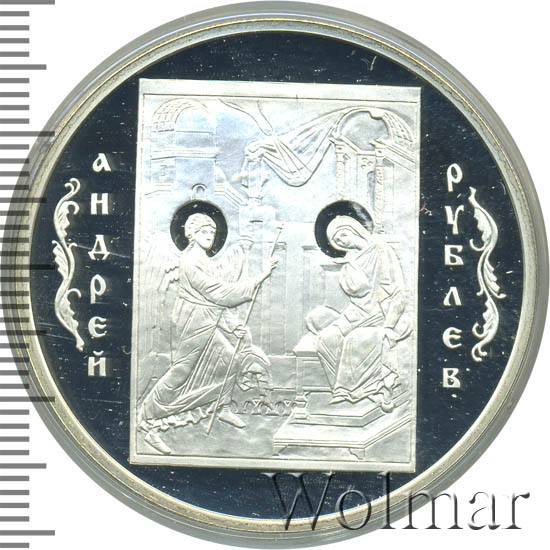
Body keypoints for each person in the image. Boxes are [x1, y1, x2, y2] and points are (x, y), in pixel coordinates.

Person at [138, 213, 276, 454]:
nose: (210, 236)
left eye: (212, 232)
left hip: (208, 318)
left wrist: (231, 324)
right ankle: (148, 422)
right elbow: (216, 293)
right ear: (192, 234)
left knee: (231, 358)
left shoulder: (204, 259)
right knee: (180, 372)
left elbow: (213, 302)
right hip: (191, 321)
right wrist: (260, 277)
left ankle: (222, 407)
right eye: (204, 232)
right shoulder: (189, 260)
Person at [306, 216, 410, 410]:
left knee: (354, 339)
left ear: (355, 229)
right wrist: (350, 265)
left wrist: (389, 325)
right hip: (357, 313)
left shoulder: (382, 250)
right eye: (337, 241)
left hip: (382, 314)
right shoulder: (351, 261)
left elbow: (398, 293)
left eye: (343, 235)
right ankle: (351, 390)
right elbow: (358, 290)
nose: (342, 241)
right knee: (325, 339)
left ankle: (363, 390)